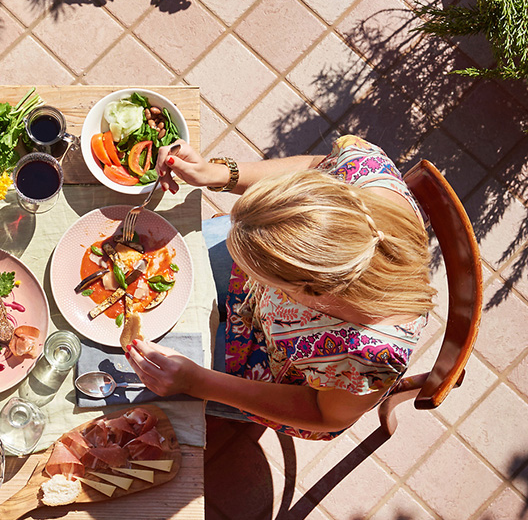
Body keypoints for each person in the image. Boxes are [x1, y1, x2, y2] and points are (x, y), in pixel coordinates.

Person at [125, 135, 435, 440]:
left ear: (306, 293)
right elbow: (313, 166)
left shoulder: (370, 358)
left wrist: (198, 382)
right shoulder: (363, 169)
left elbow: (323, 415)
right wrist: (217, 173)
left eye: (254, 270)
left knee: (137, 381)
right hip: (264, 283)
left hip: (267, 368)